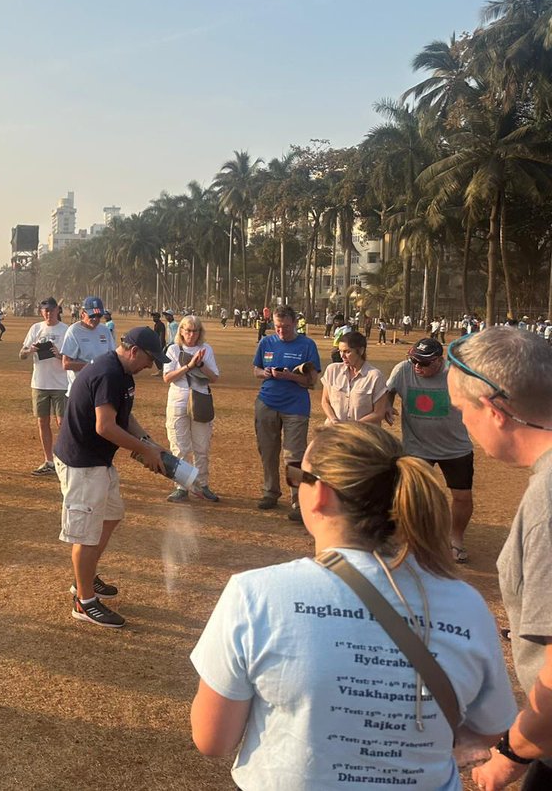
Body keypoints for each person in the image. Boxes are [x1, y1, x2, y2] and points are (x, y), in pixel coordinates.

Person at [190, 421, 517, 790]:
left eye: (298, 476)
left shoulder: (256, 594)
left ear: (321, 494)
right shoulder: (467, 605)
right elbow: (491, 728)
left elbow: (212, 739)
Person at [442, 330, 552, 790]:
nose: (462, 424)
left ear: (495, 410)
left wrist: (511, 754)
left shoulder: (548, 502)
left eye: (463, 411)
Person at [53, 327, 170, 628]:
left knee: (111, 516)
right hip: (82, 463)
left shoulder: (122, 373)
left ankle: (86, 577)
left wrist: (147, 442)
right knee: (87, 533)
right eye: (149, 360)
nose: (150, 367)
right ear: (134, 351)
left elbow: (123, 417)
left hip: (98, 461)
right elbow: (105, 427)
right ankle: (84, 600)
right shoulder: (108, 373)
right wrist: (144, 450)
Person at [385, 338, 476, 563]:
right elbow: (388, 391)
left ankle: (456, 539)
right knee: (411, 495)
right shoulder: (403, 370)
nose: (417, 366)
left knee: (462, 497)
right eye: (414, 360)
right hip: (417, 446)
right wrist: (387, 404)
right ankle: (411, 538)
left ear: (439, 361)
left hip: (455, 447)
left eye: (424, 363)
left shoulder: (456, 375)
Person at [252, 305, 321, 522]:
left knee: (294, 456)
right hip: (266, 403)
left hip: (295, 407)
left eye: (286, 327)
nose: (281, 331)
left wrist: (290, 377)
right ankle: (270, 492)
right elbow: (255, 369)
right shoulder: (266, 342)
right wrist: (264, 373)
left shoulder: (307, 345)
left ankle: (299, 501)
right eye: (278, 326)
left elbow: (312, 381)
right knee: (268, 450)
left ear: (295, 323)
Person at [162, 315, 220, 503]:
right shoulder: (172, 350)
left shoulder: (206, 349)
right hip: (178, 402)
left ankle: (203, 485)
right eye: (187, 330)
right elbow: (167, 377)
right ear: (181, 331)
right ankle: (182, 487)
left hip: (200, 401)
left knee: (201, 447)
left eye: (195, 331)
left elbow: (214, 377)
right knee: (179, 446)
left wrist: (200, 365)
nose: (191, 334)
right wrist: (189, 365)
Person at [20, 297, 70, 476]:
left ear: (58, 310)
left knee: (62, 423)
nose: (48, 313)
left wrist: (60, 355)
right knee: (42, 422)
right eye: (45, 310)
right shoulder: (36, 328)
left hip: (61, 384)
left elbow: (71, 357)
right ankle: (49, 460)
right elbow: (21, 354)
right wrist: (29, 350)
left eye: (51, 310)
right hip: (40, 383)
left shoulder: (66, 330)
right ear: (41, 311)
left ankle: (65, 460)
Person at [320, 330, 389, 426]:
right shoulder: (332, 370)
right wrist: (334, 420)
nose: (342, 356)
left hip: (362, 436)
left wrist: (352, 427)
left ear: (361, 351)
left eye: (347, 352)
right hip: (333, 433)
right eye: (340, 351)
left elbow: (379, 413)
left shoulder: (375, 377)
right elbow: (325, 401)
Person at [61, 296, 115, 396]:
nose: (95, 319)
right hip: (80, 392)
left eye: (99, 316)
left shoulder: (105, 330)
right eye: (92, 315)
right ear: (82, 314)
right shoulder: (74, 331)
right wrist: (93, 366)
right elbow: (66, 363)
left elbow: (112, 356)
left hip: (101, 391)